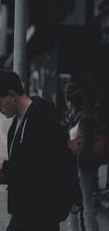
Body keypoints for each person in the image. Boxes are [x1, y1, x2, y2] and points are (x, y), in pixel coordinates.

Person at [0, 70, 76, 231]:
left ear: (12, 94)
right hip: (25, 209)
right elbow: (25, 165)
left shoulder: (43, 117)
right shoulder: (16, 122)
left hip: (42, 210)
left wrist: (4, 166)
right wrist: (4, 176)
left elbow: (44, 169)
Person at [64, 82, 99, 231]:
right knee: (77, 204)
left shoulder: (82, 117)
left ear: (69, 100)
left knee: (85, 204)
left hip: (81, 167)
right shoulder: (75, 115)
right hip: (79, 166)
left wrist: (78, 164)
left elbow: (85, 144)